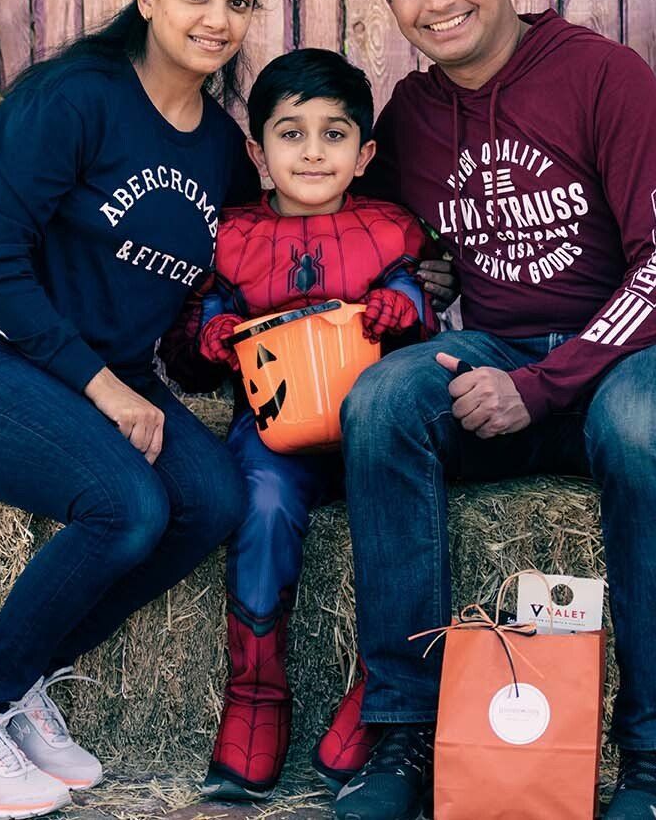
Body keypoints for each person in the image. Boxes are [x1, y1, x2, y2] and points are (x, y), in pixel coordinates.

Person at [331, 0, 656, 820]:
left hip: (641, 354)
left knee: (632, 427)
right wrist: (411, 277)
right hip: (503, 353)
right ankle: (402, 733)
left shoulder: (600, 74)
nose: (439, 1)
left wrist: (543, 387)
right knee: (380, 403)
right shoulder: (411, 123)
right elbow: (384, 238)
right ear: (389, 1)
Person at [0, 0, 283, 819]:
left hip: (107, 375)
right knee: (127, 506)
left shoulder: (221, 152)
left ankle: (23, 678)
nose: (217, 18)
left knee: (215, 499)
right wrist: (105, 388)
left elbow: (225, 279)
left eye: (238, 1)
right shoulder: (74, 100)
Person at [170, 50, 432, 802]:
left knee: (404, 510)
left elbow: (418, 307)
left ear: (365, 152)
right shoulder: (232, 236)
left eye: (334, 133)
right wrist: (210, 336)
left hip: (368, 432)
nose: (312, 151)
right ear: (257, 150)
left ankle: (381, 694)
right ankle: (256, 693)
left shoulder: (390, 229)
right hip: (274, 427)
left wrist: (403, 310)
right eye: (291, 133)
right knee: (258, 503)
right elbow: (194, 331)